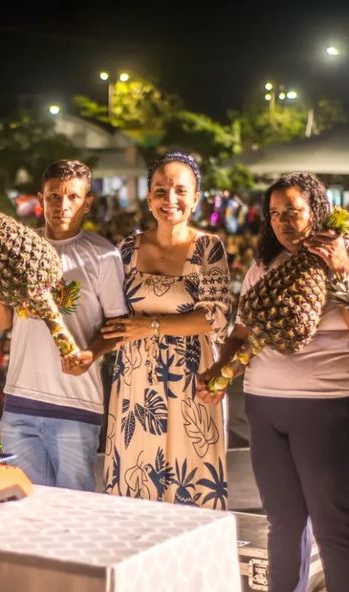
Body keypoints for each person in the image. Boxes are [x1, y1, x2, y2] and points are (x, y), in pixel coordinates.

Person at [199, 172, 349, 592]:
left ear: (318, 210)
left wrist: (337, 269)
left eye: (294, 211)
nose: (283, 222)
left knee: (331, 519)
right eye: (275, 212)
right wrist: (220, 370)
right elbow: (243, 328)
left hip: (327, 404)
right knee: (283, 518)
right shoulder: (265, 263)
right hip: (264, 400)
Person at [0, 160, 126, 491]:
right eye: (54, 196)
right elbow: (4, 323)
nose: (63, 205)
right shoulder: (19, 250)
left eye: (73, 197)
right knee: (26, 510)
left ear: (87, 202)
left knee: (74, 512)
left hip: (76, 406)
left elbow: (117, 324)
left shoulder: (102, 255)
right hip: (19, 404)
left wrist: (90, 353)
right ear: (41, 199)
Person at [101, 153, 231, 506]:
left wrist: (151, 325)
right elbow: (109, 310)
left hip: (191, 379)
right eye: (160, 190)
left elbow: (216, 316)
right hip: (135, 381)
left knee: (190, 474)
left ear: (195, 198)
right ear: (148, 197)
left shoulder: (208, 248)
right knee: (135, 474)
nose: (169, 199)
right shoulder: (128, 248)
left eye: (179, 190)